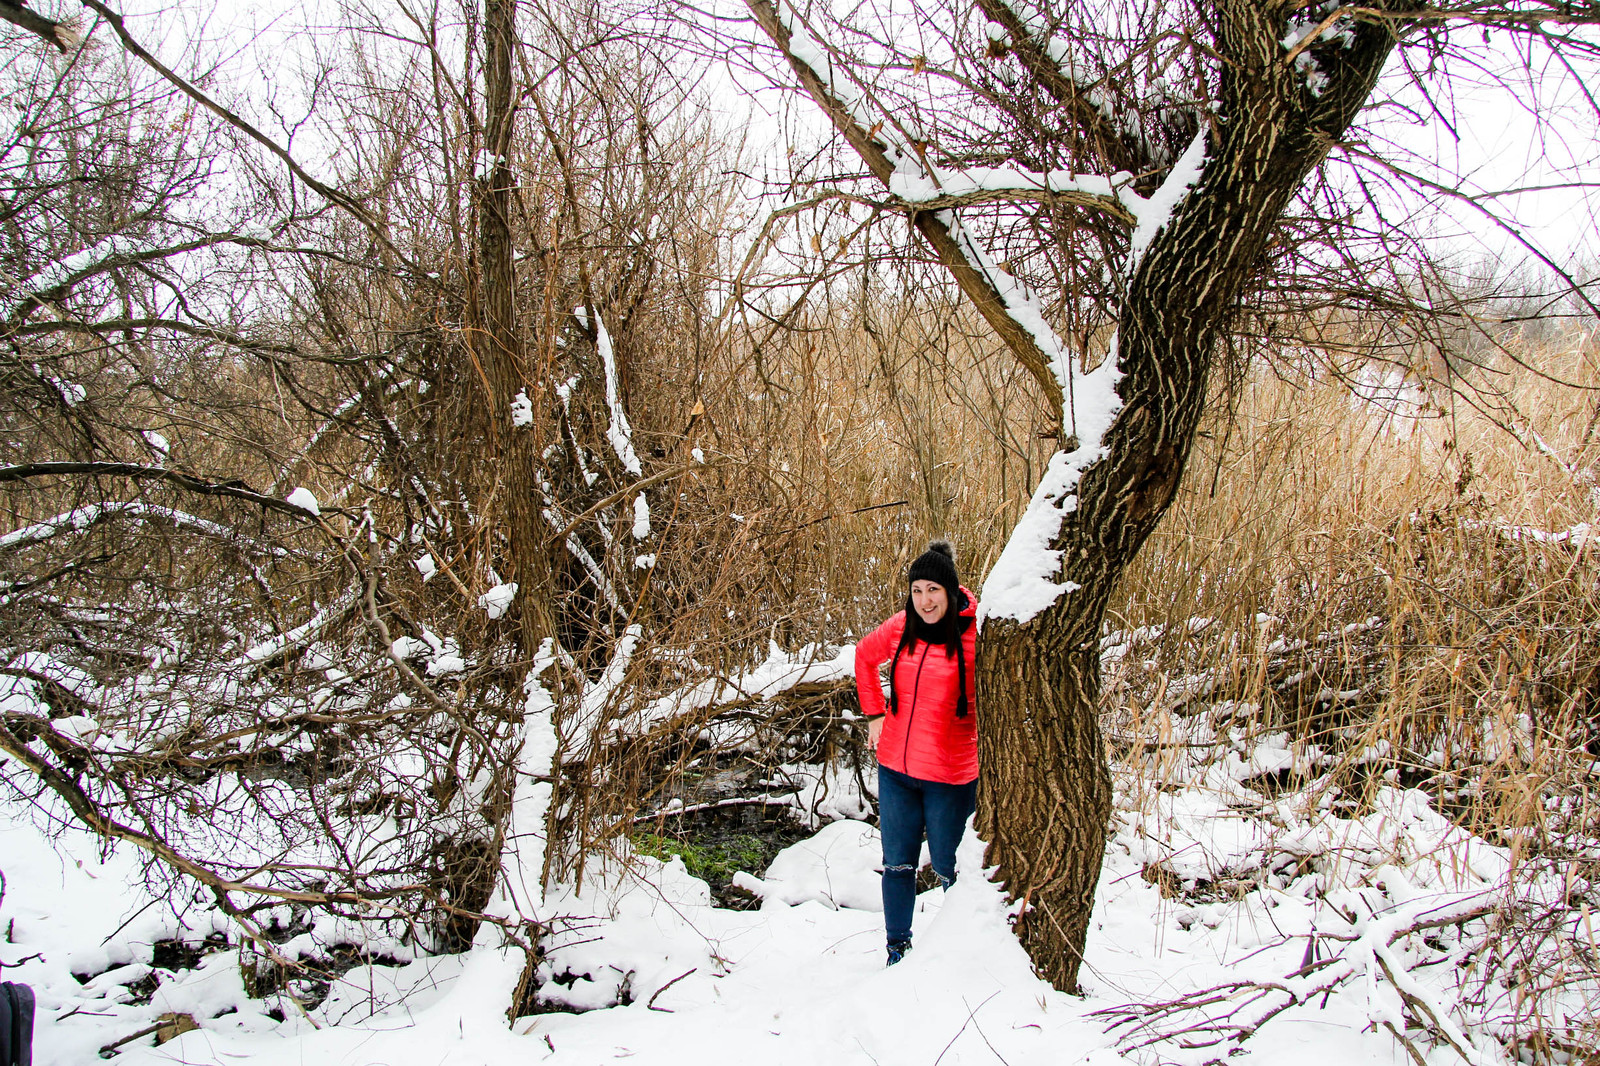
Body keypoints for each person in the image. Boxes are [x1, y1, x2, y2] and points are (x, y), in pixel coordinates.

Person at [853, 539, 978, 966]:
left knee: (950, 868)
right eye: (917, 590)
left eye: (933, 591)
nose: (924, 601)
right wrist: (874, 713)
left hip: (951, 776)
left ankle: (962, 955)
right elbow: (864, 657)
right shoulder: (902, 625)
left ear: (951, 591)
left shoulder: (978, 636)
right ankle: (897, 950)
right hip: (896, 770)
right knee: (898, 865)